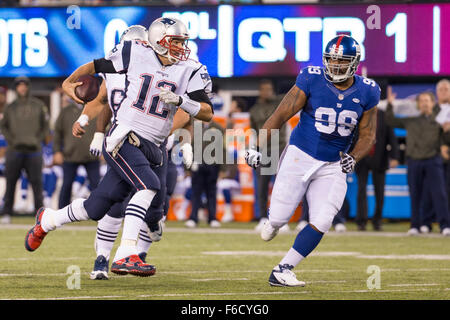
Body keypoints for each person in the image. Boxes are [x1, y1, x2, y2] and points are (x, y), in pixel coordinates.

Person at [24, 17, 214, 277]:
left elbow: (206, 112)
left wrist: (182, 100)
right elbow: (96, 65)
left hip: (154, 145)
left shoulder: (190, 68)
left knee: (96, 207)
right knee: (149, 185)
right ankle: (126, 254)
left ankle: (47, 220)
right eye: (176, 42)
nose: (182, 47)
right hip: (124, 137)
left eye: (183, 42)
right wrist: (69, 81)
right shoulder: (135, 52)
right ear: (159, 41)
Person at [245, 34, 379, 286]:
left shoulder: (368, 91)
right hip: (300, 155)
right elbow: (280, 114)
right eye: (331, 60)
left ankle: (283, 269)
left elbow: (368, 134)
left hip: (334, 163)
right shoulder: (311, 78)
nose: (335, 66)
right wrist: (256, 146)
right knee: (279, 218)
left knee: (323, 218)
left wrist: (354, 157)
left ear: (354, 63)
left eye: (342, 61)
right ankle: (274, 221)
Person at [386, 91, 450, 236]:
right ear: (418, 104)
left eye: (427, 101)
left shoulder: (439, 123)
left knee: (439, 194)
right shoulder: (411, 121)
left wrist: (447, 131)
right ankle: (415, 225)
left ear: (433, 104)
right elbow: (390, 120)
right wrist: (390, 104)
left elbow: (447, 141)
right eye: (422, 101)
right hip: (414, 161)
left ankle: (445, 225)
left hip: (433, 161)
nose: (425, 103)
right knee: (415, 194)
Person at [0, 76, 49, 223]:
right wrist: (12, 141)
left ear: (28, 87)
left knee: (36, 183)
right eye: (19, 86)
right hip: (15, 150)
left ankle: (39, 214)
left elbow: (45, 126)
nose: (22, 88)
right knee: (11, 182)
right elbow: (4, 127)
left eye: (24, 85)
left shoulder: (38, 105)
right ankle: (7, 213)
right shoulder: (10, 107)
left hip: (34, 150)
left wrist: (37, 139)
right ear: (16, 88)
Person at [249, 79, 288, 233]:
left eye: (270, 89)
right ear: (260, 91)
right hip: (263, 150)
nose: (267, 92)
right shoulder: (254, 110)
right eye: (264, 89)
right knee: (262, 186)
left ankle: (281, 220)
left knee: (281, 186)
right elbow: (254, 130)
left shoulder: (280, 103)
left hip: (279, 148)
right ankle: (263, 218)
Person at [355, 107, 400, 231]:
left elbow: (391, 136)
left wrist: (394, 156)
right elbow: (353, 136)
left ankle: (377, 220)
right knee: (361, 190)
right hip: (361, 157)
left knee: (379, 192)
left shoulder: (384, 115)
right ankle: (361, 221)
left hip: (379, 158)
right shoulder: (359, 113)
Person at [53, 93, 100, 208]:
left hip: (92, 154)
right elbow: (57, 133)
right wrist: (57, 151)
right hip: (70, 154)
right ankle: (61, 212)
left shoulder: (95, 109)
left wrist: (103, 148)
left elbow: (103, 129)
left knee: (97, 185)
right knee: (67, 184)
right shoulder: (66, 111)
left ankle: (100, 212)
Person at [185, 119, 225, 228]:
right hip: (197, 164)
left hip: (213, 164)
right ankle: (193, 217)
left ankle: (212, 218)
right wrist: (187, 167)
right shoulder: (196, 127)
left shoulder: (218, 127)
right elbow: (190, 147)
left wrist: (222, 169)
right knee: (195, 192)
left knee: (211, 192)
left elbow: (223, 148)